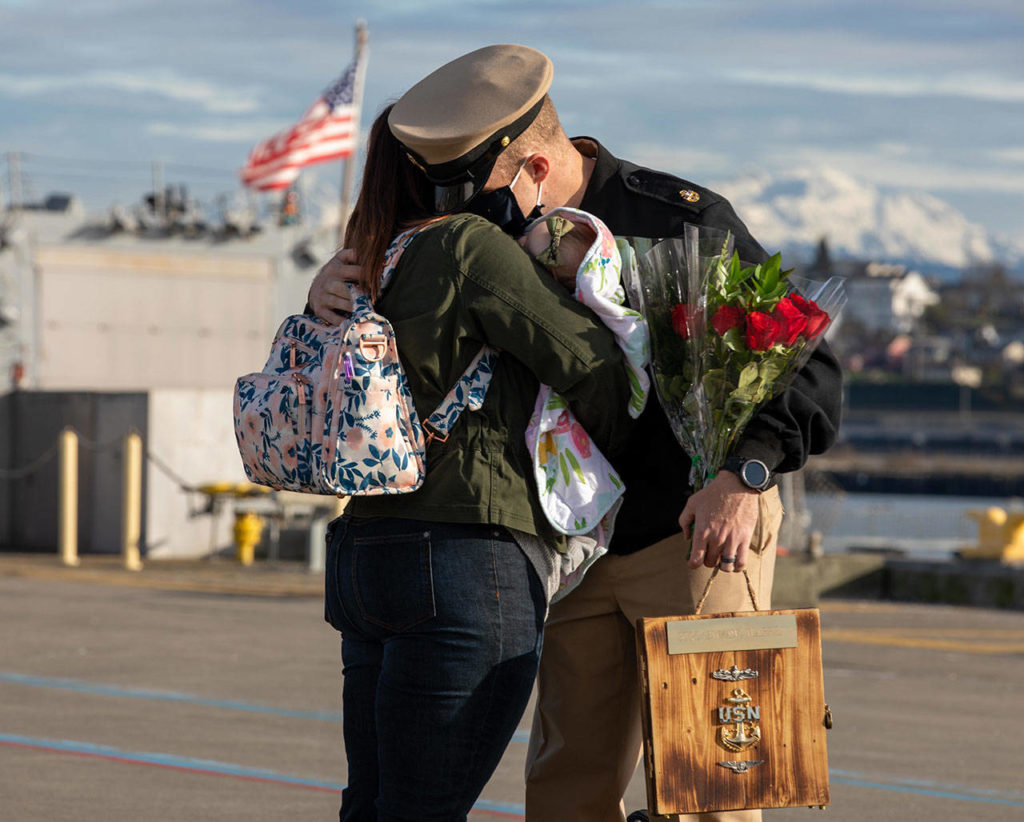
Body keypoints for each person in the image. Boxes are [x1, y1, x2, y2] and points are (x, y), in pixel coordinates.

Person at [310, 45, 843, 822]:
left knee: (714, 793)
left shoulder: (680, 222)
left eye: (473, 186)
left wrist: (746, 477)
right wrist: (333, 287)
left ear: (530, 168)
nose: (457, 204)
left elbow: (811, 372)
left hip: (696, 539)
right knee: (565, 789)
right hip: (575, 553)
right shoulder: (475, 235)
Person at [322, 100, 635, 821]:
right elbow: (594, 370)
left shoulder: (362, 258)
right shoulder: (467, 245)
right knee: (423, 809)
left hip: (364, 553)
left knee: (371, 806)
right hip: (466, 557)